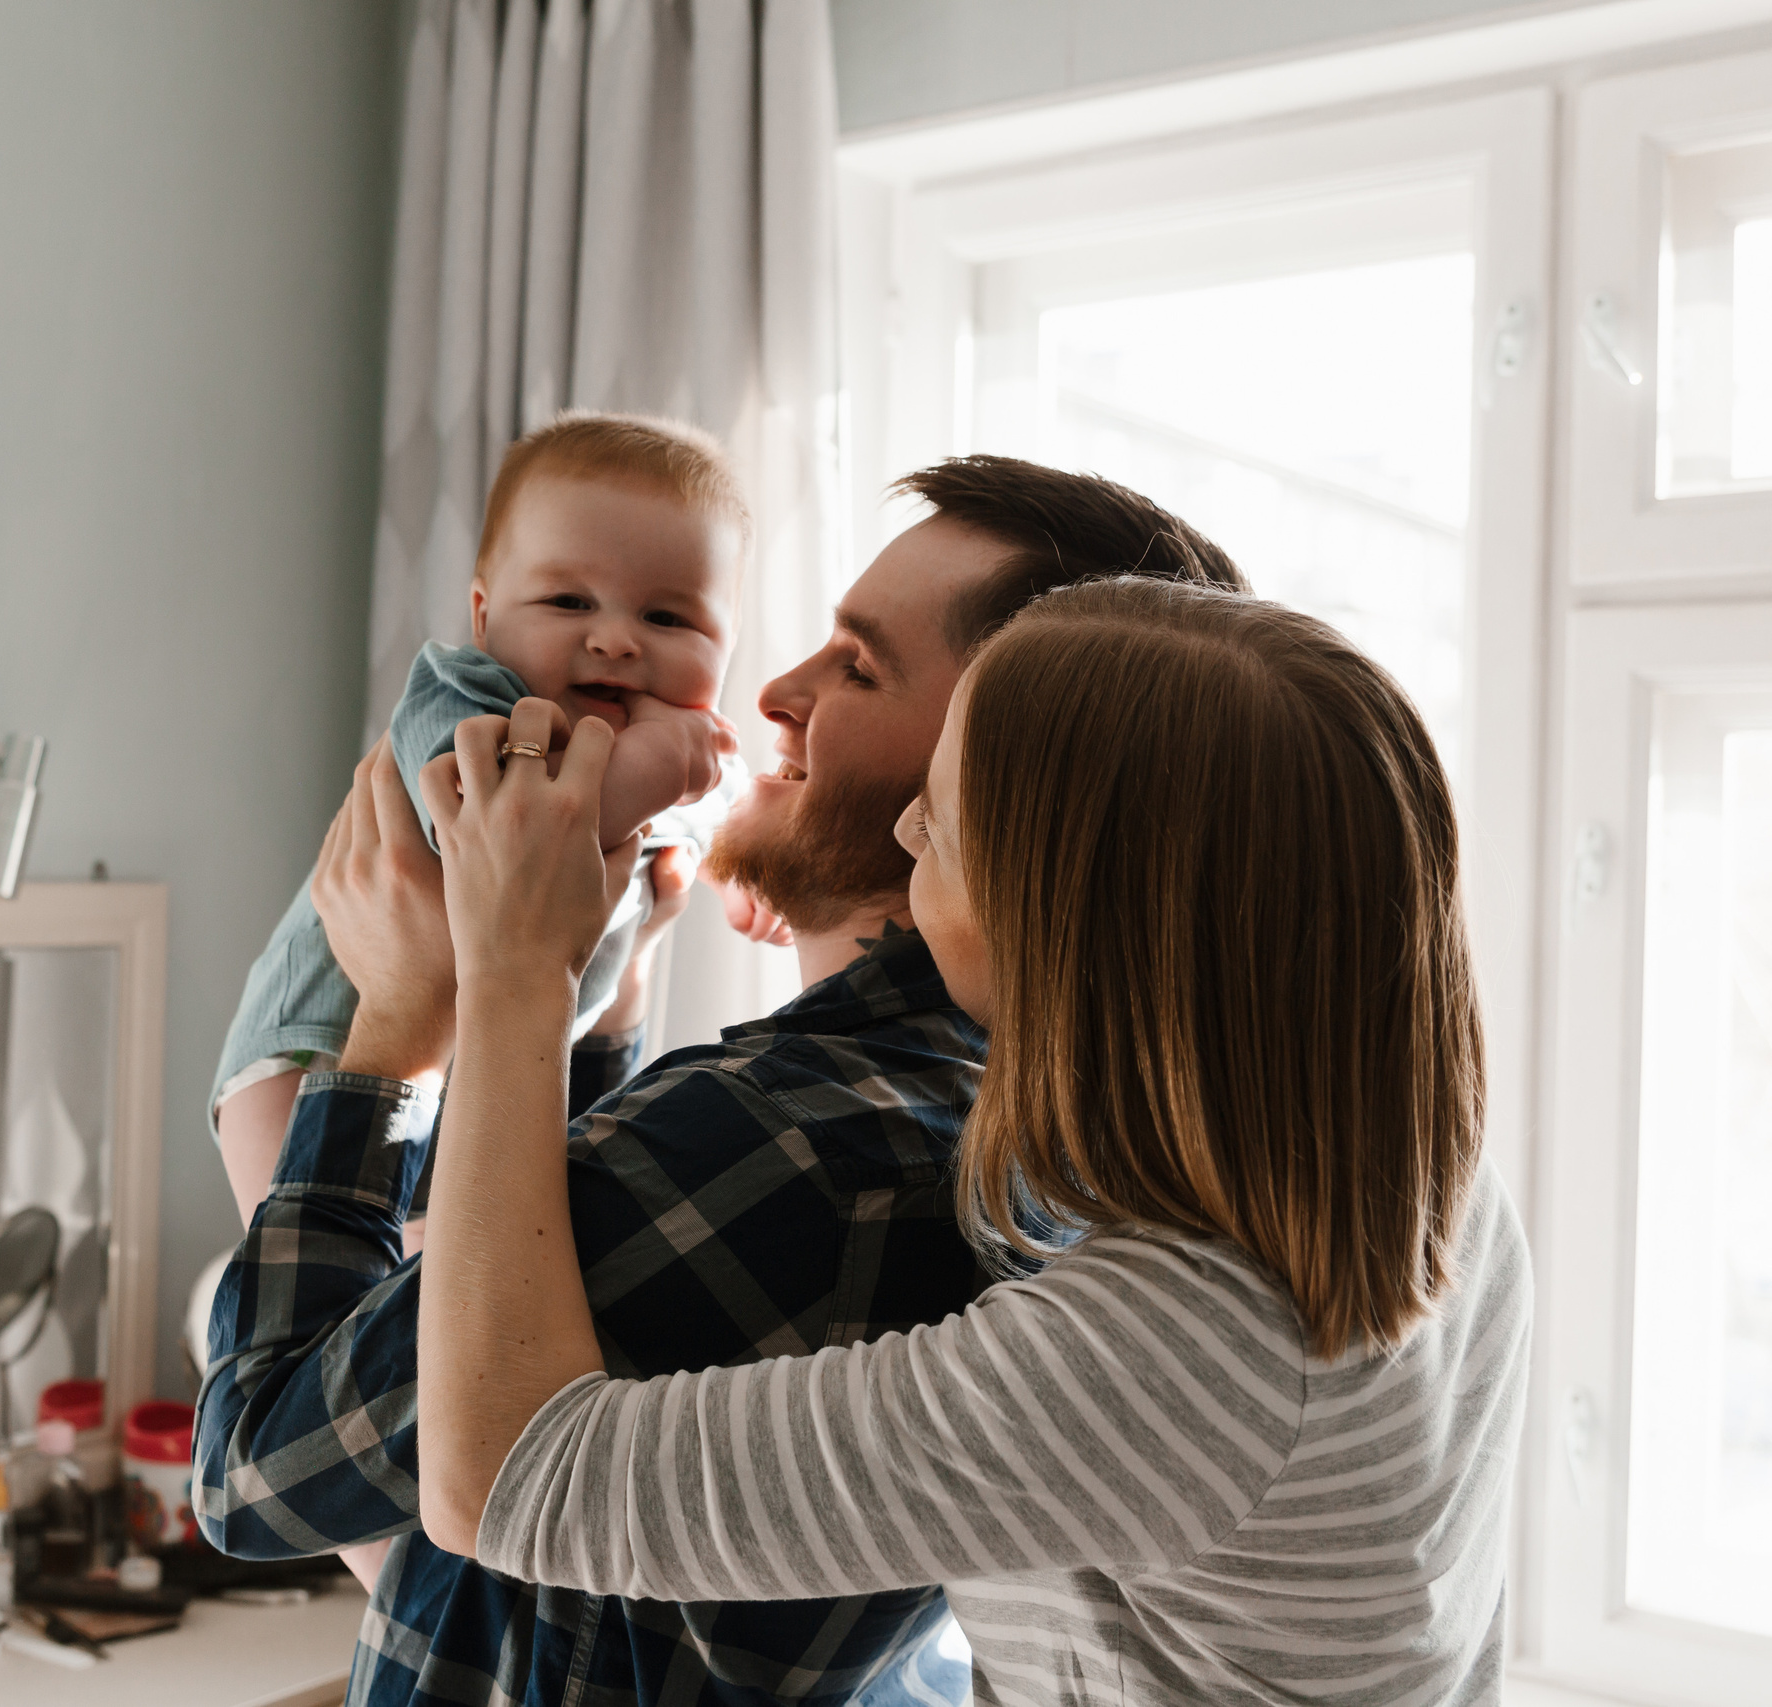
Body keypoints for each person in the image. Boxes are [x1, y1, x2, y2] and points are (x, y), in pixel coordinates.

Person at [195, 459, 1245, 1707]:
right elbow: (568, 1276)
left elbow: (252, 1473)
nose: (776, 693)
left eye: (858, 667)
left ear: (1008, 775)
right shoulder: (1024, 1123)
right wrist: (600, 1007)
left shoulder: (789, 1149)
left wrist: (396, 1034)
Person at [410, 578, 1533, 1707]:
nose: (903, 832)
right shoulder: (1398, 1161)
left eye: (939, 822)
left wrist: (512, 970)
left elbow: (505, 1476)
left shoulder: (1178, 1351)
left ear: (1062, 921)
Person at [209, 412, 746, 1228]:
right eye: (570, 600)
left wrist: (750, 870)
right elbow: (518, 834)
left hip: (467, 1084)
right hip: (314, 1058)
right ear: (485, 615)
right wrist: (667, 766)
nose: (614, 640)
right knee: (316, 1300)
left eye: (667, 619)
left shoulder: (688, 748)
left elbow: (722, 832)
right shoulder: (465, 696)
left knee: (425, 1313)